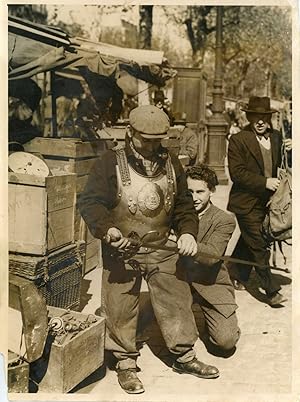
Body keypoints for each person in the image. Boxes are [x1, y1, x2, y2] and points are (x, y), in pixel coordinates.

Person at [78, 105, 219, 395]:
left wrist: (189, 233)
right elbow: (90, 203)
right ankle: (125, 362)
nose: (153, 147)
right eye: (147, 140)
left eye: (159, 141)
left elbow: (182, 205)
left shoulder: (171, 163)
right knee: (120, 304)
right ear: (130, 133)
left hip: (161, 245)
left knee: (176, 296)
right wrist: (107, 230)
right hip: (122, 248)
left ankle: (184, 355)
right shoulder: (109, 162)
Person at [227, 96, 291, 307]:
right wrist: (264, 182)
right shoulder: (238, 139)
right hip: (245, 202)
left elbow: (285, 165)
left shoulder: (277, 137)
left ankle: (235, 271)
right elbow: (237, 173)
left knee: (250, 239)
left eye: (264, 117)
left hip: (268, 202)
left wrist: (292, 151)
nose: (261, 121)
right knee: (259, 243)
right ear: (250, 117)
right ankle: (271, 290)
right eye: (256, 117)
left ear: (269, 118)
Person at [177, 164, 240, 356]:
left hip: (210, 284)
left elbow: (212, 255)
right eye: (189, 192)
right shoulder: (176, 214)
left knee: (226, 342)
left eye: (200, 191)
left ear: (211, 191)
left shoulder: (224, 219)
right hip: (177, 280)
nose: (194, 198)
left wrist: (179, 241)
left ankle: (217, 322)